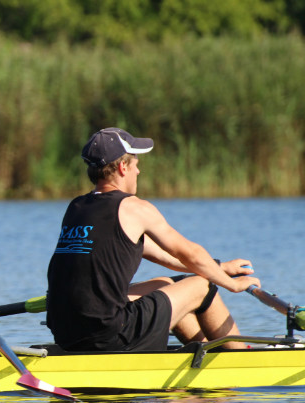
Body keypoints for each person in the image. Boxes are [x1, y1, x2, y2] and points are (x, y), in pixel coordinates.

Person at [45, 127, 260, 352]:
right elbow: (190, 254)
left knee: (165, 285)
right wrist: (232, 284)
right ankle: (239, 358)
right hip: (110, 335)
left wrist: (221, 268)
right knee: (203, 285)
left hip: (65, 332)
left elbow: (163, 255)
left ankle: (204, 353)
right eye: (136, 164)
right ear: (123, 167)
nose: (138, 171)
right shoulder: (134, 208)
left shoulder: (77, 207)